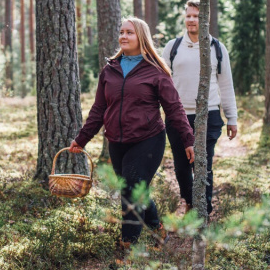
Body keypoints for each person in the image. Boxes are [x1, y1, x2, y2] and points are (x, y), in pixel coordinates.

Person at [68, 17, 195, 249]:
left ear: (141, 38)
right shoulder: (110, 70)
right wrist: (82, 139)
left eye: (129, 32)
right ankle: (158, 230)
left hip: (149, 139)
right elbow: (99, 108)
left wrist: (188, 139)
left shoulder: (156, 71)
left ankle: (128, 247)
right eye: (121, 32)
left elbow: (174, 108)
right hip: (117, 141)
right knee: (137, 190)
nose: (123, 36)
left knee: (130, 188)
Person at [161, 0, 238, 215]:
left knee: (203, 163)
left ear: (206, 19)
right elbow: (161, 81)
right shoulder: (172, 47)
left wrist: (232, 117)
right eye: (189, 15)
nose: (192, 20)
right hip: (178, 116)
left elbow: (226, 84)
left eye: (197, 16)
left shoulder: (217, 48)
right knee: (181, 166)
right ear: (184, 18)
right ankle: (189, 203)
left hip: (210, 115)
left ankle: (203, 210)